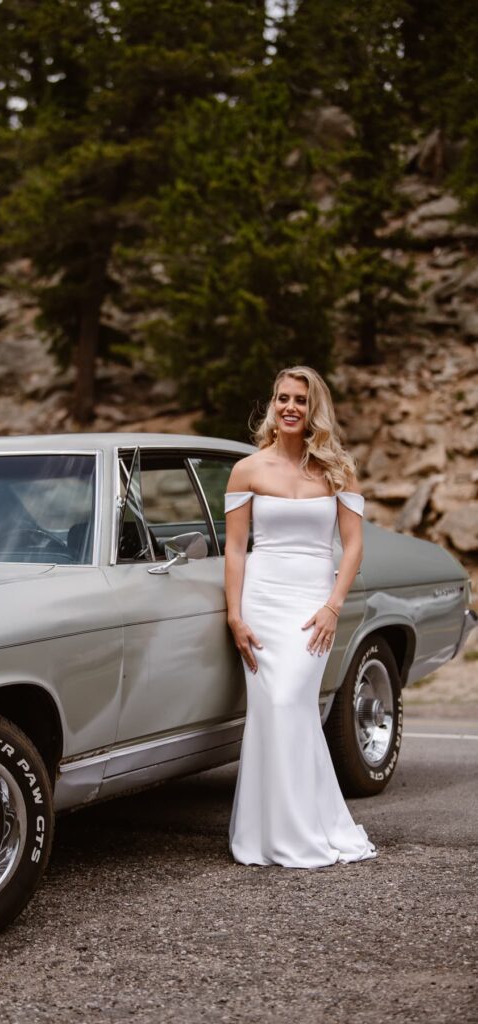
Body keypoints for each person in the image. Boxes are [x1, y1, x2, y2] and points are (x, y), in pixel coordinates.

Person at [224, 365, 376, 868]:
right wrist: (234, 615)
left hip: (314, 603)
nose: (290, 407)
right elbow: (237, 549)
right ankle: (271, 833)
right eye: (283, 397)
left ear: (315, 410)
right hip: (262, 602)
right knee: (274, 711)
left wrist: (333, 606)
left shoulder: (337, 470)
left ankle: (303, 828)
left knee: (293, 701)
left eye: (301, 400)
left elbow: (352, 548)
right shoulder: (248, 469)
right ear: (273, 403)